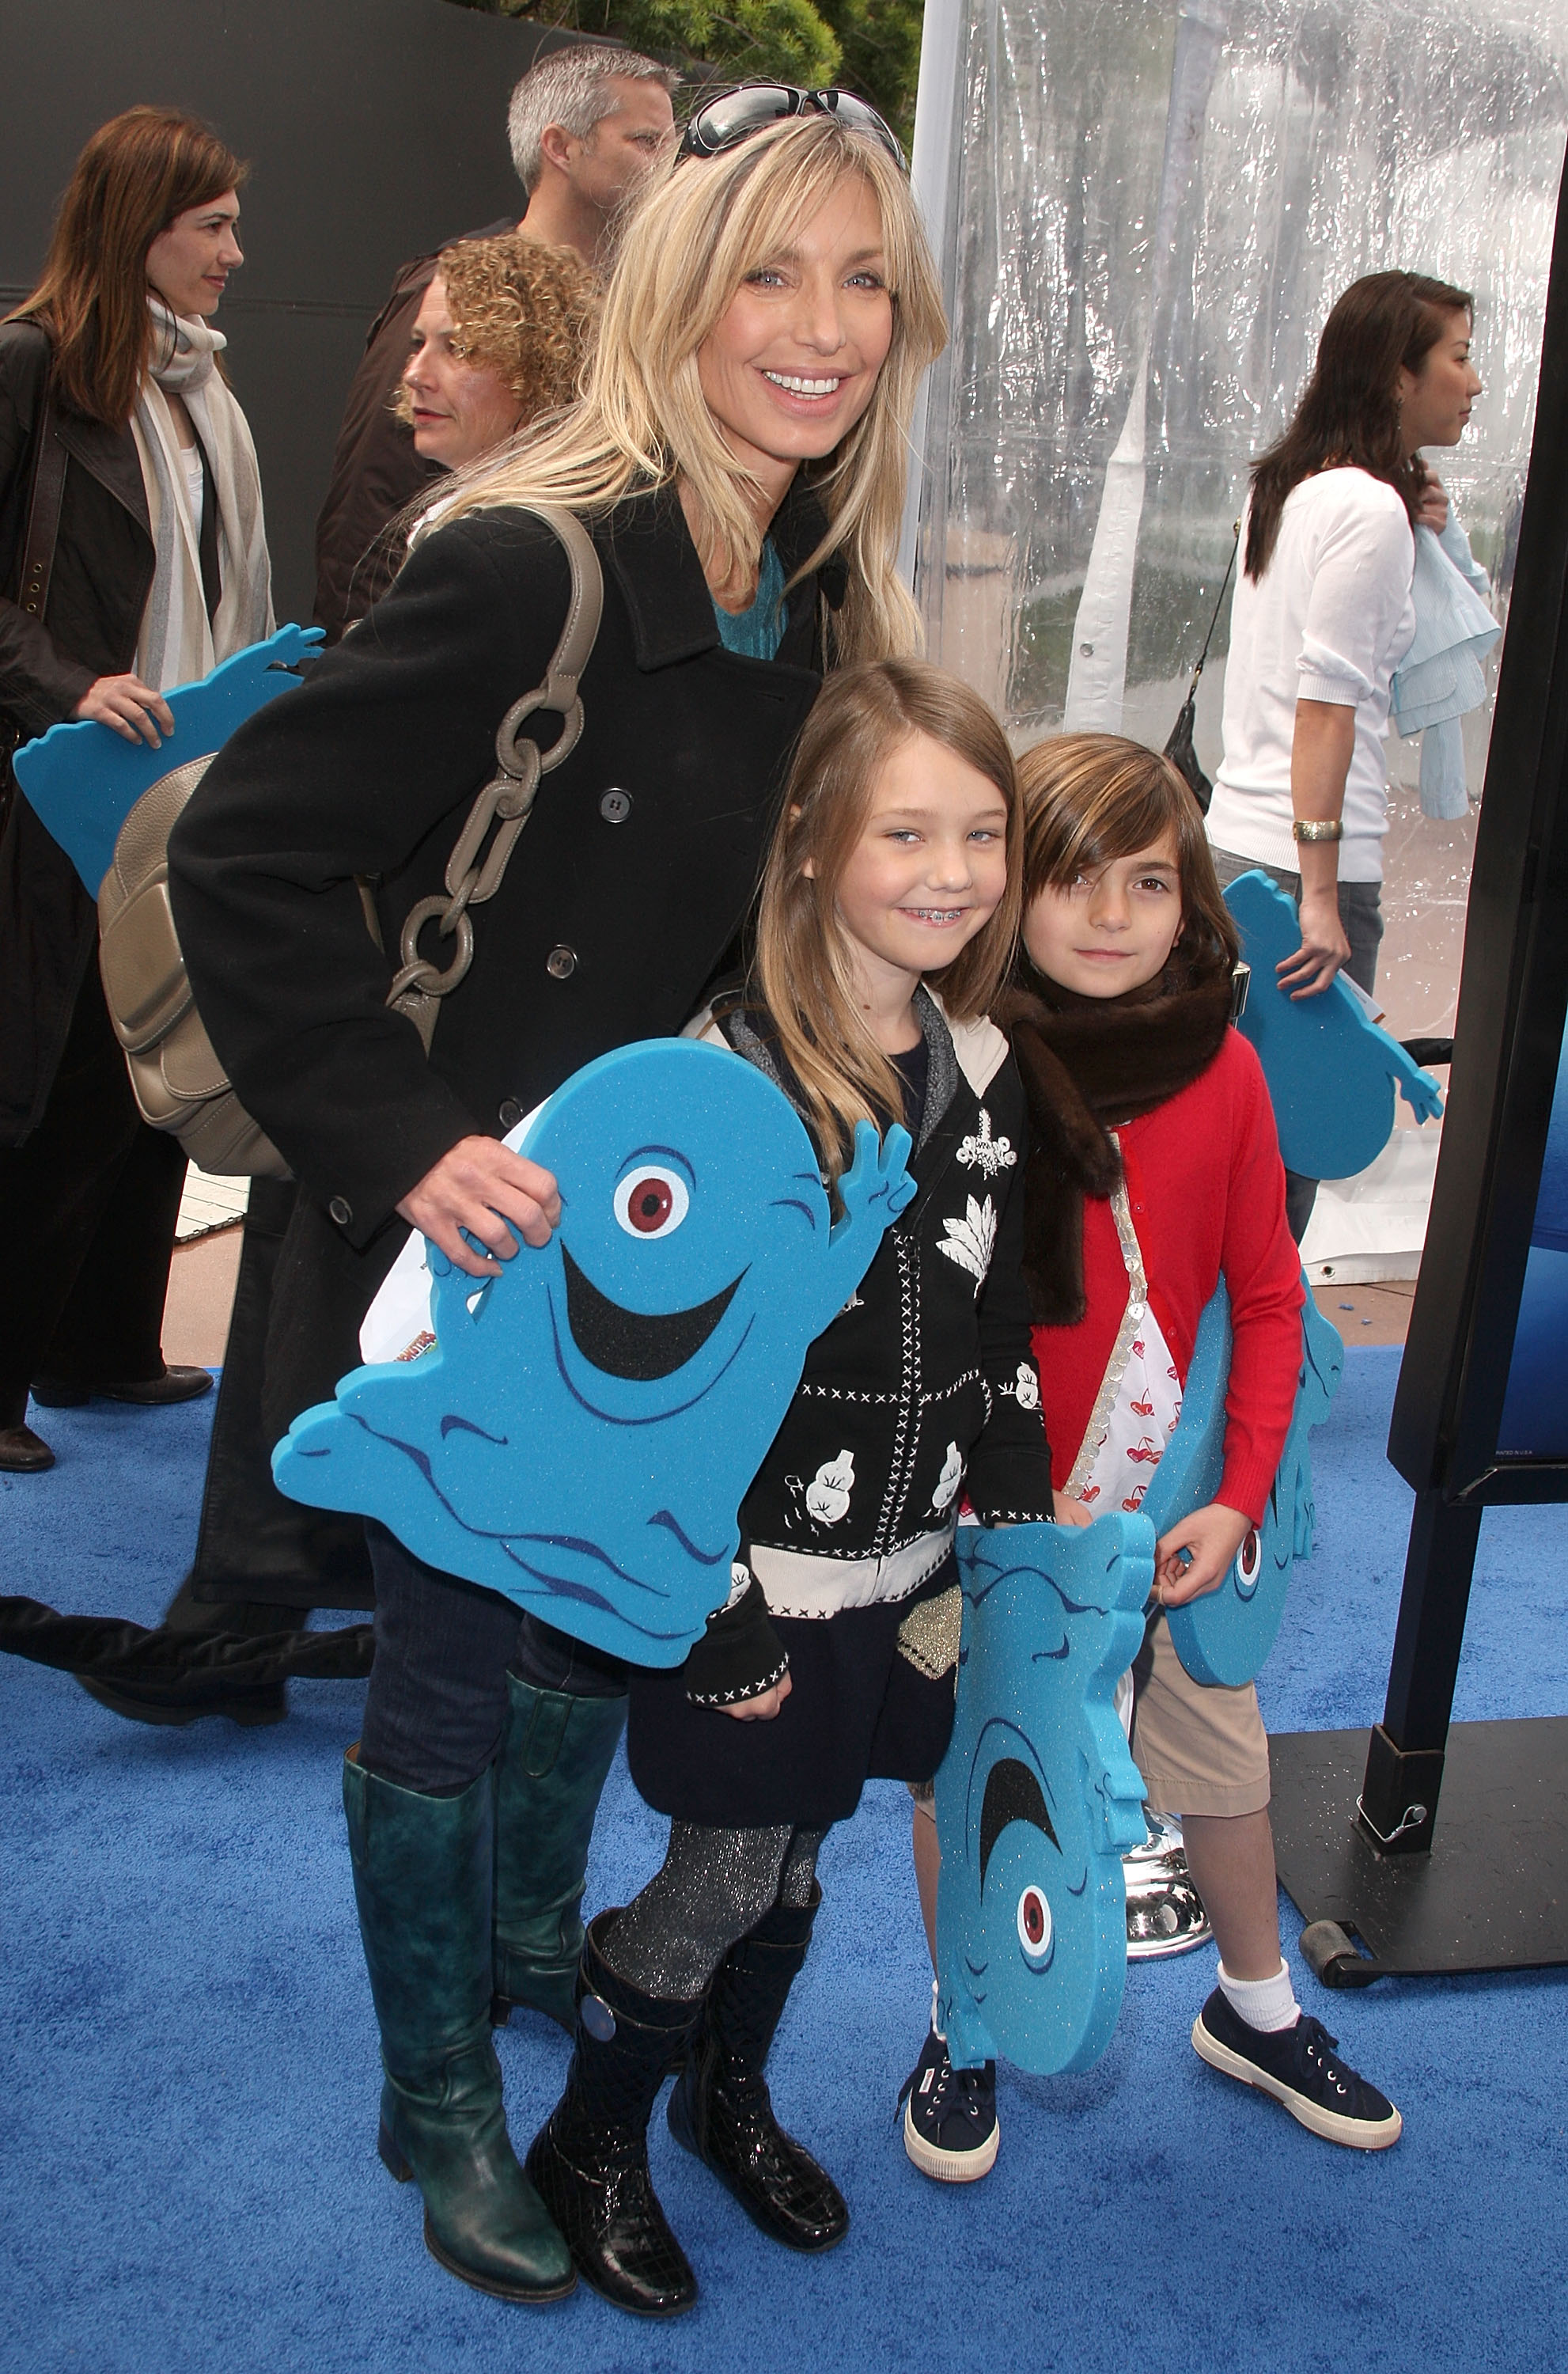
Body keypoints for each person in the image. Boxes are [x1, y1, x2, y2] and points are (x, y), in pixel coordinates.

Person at [169, 98, 945, 2307]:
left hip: (663, 1248)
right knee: (436, 1681)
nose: (817, 330)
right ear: (678, 294)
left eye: (861, 281)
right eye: (770, 276)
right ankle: (439, 2107)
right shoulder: (529, 551)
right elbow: (245, 853)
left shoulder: (814, 587)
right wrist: (404, 1133)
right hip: (463, 1241)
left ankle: (527, 1946)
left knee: (599, 1622)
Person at [521, 656, 1051, 2317]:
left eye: (981, 833)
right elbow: (639, 1395)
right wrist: (707, 1616)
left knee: (804, 1849)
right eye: (907, 831)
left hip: (903, 1570)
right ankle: (590, 2133)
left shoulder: (978, 1058)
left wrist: (1012, 1506)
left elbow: (997, 1303)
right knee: (726, 1867)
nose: (953, 874)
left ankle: (719, 2090)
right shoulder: (722, 1082)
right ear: (813, 842)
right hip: (743, 1586)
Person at [80, 230, 596, 1732]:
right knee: (321, 1306)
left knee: (339, 1305)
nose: (414, 377)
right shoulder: (481, 529)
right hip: (398, 1002)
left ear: (539, 378)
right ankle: (253, 1609)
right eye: (417, 342)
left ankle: (256, 1613)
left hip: (423, 1011)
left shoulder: (499, 547)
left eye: (455, 349)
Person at [903, 730, 1402, 2186]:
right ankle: (969, 2019)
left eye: (1147, 879)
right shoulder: (955, 1066)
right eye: (1072, 878)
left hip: (1177, 1503)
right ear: (1012, 892)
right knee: (975, 1770)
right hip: (996, 1507)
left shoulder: (1226, 1072)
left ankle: (1254, 2010)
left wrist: (1238, 1494)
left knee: (1217, 1759)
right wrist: (987, 1491)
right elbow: (913, 1310)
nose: (1112, 914)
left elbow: (1262, 1297)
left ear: (1189, 897)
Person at [0, 105, 271, 1476]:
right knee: (39, 1087)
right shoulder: (33, 368)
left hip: (178, 786)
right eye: (210, 224)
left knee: (145, 1073)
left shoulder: (201, 394)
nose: (235, 250)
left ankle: (99, 1344)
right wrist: (66, 684)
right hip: (58, 792)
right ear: (139, 228)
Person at [1203, 271, 1480, 1237]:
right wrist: (1318, 896)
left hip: (1236, 854)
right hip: (1300, 871)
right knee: (1286, 1172)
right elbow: (1323, 713)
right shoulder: (1363, 509)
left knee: (1234, 1159)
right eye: (1456, 357)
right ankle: (1252, 1386)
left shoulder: (1294, 489)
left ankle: (1208, 1379)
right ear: (1396, 374)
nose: (1473, 383)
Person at [312, 41, 676, 642]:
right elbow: (370, 504)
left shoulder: (642, 305)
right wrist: (367, 656)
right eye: (644, 141)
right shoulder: (453, 290)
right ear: (560, 147)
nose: (667, 164)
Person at [396, 232, 597, 476]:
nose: (414, 375)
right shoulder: (467, 507)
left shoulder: (530, 511)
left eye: (460, 348)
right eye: (418, 344)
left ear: (542, 369)